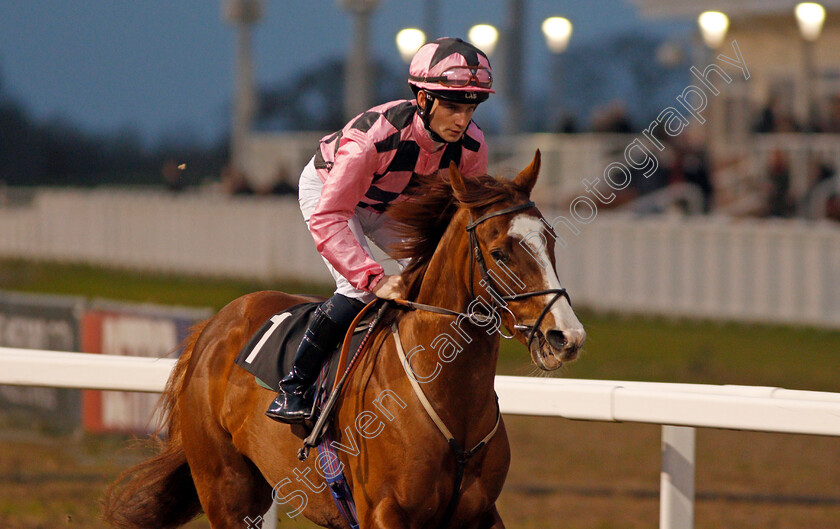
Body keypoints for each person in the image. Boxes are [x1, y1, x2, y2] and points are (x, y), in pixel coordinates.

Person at [266, 37, 495, 423]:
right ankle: (294, 387)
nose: (462, 120)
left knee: (435, 276)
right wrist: (374, 278)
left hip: (389, 205)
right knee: (357, 288)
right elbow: (331, 216)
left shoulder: (472, 146)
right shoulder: (370, 140)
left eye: (470, 109)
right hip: (332, 195)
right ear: (423, 101)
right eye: (453, 107)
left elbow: (465, 220)